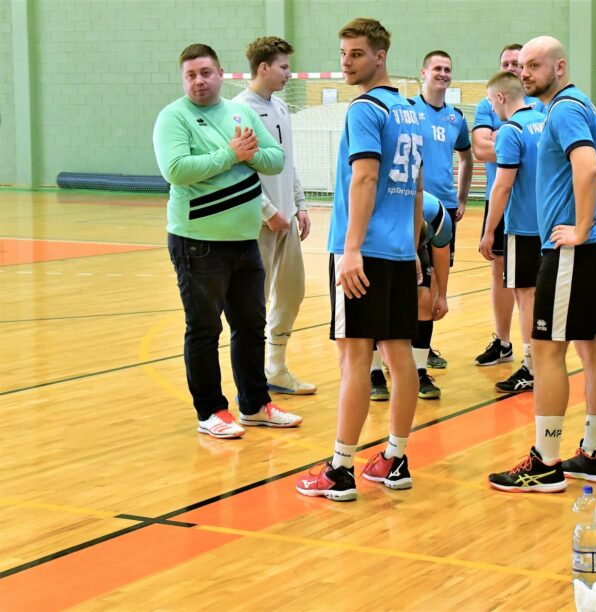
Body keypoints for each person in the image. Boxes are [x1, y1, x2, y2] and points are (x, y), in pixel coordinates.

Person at [295, 19, 422, 502]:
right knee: (399, 355)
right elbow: (416, 188)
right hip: (397, 251)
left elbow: (365, 178)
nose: (345, 63)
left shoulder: (365, 109)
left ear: (380, 56)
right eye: (343, 53)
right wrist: (413, 248)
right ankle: (395, 457)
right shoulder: (409, 111)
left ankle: (341, 469)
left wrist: (351, 250)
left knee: (354, 358)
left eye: (356, 54)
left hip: (365, 252)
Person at [488, 36, 596, 493]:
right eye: (521, 66)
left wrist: (580, 228)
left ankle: (545, 462)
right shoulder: (577, 105)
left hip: (574, 250)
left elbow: (588, 167)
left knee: (545, 350)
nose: (525, 73)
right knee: (593, 346)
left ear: (559, 67)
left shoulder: (563, 109)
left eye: (534, 65)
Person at [154, 43, 302, 438]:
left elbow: (275, 159)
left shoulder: (241, 113)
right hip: (197, 242)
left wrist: (247, 156)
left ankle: (255, 405)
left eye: (206, 73)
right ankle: (211, 411)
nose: (199, 81)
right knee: (204, 329)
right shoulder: (174, 118)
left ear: (221, 74)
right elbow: (177, 170)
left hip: (244, 240)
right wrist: (233, 154)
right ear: (183, 80)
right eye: (191, 75)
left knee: (251, 325)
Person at [234, 36, 316, 395]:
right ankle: (251, 380)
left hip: (287, 221)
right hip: (258, 224)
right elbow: (240, 172)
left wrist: (299, 205)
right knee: (255, 301)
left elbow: (287, 162)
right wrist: (267, 211)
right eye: (283, 67)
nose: (288, 73)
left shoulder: (281, 108)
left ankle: (276, 368)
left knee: (291, 292)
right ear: (263, 67)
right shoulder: (240, 110)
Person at [471, 44, 545, 367]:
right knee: (527, 286)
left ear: (500, 98)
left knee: (524, 291)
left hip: (518, 215)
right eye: (508, 63)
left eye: (519, 63)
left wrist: (488, 232)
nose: (513, 67)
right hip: (541, 213)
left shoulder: (513, 127)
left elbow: (501, 180)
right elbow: (479, 148)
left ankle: (531, 363)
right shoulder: (540, 119)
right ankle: (525, 352)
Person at [410, 50, 473, 370]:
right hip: (414, 204)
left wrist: (461, 198)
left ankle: (424, 345)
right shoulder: (408, 110)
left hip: (445, 208)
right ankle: (402, 344)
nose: (443, 74)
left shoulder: (456, 118)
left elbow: (466, 157)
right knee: (412, 276)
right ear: (423, 72)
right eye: (437, 68)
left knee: (435, 277)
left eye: (448, 69)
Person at [371, 192, 453, 401]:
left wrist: (442, 296)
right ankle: (374, 373)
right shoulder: (378, 209)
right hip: (375, 245)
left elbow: (441, 255)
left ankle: (419, 371)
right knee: (376, 304)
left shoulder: (438, 217)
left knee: (424, 298)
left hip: (413, 247)